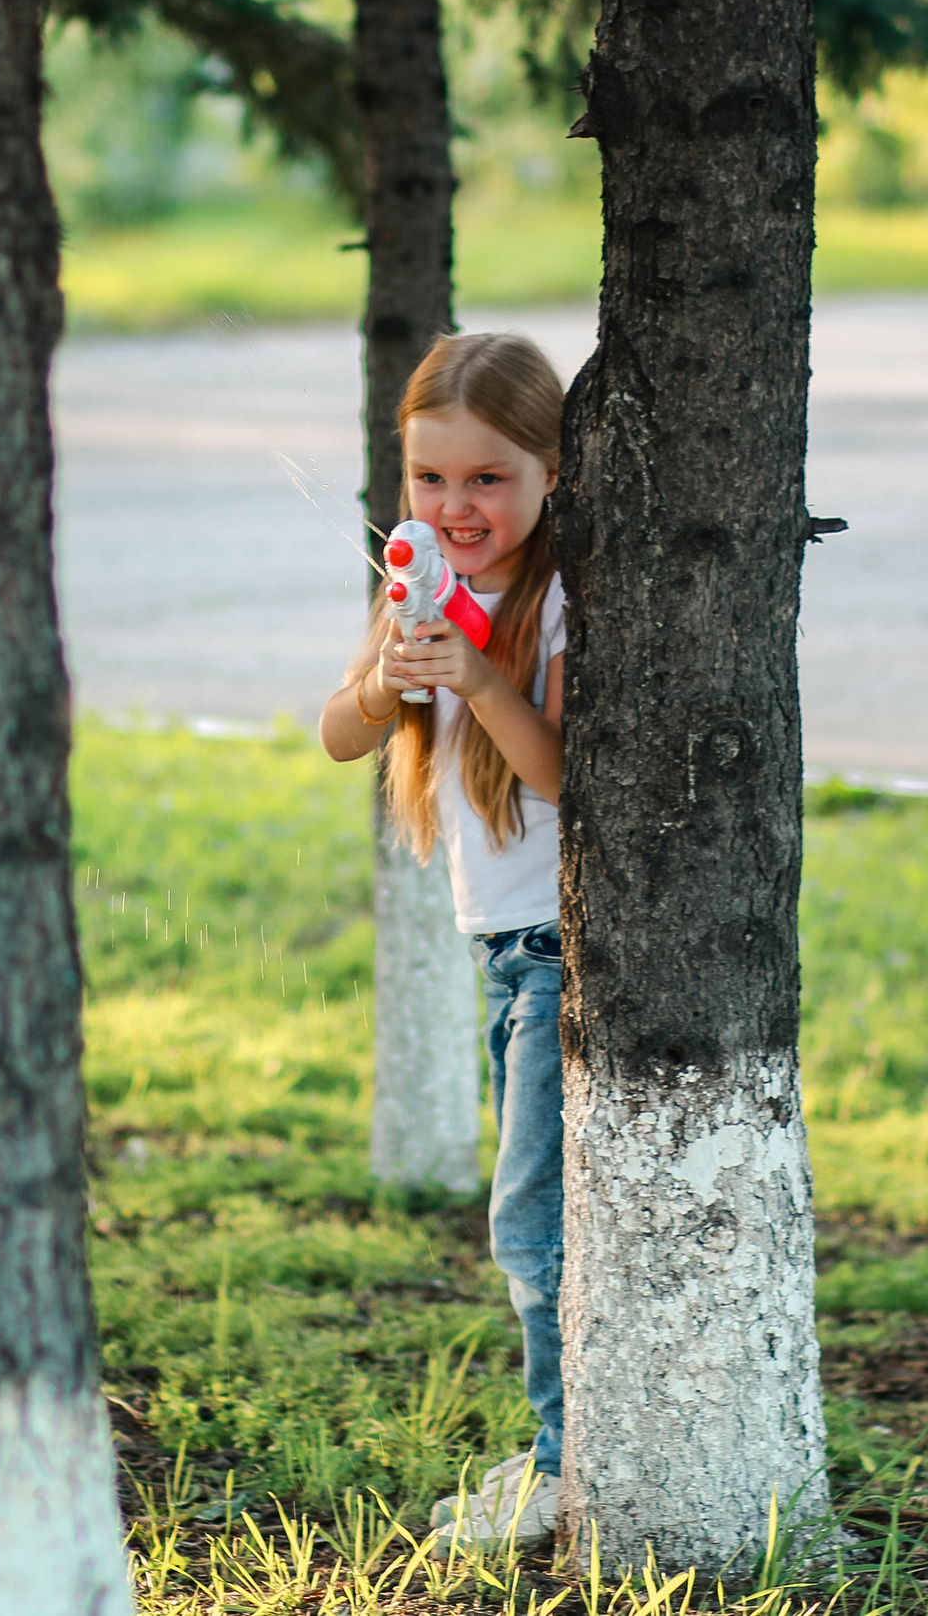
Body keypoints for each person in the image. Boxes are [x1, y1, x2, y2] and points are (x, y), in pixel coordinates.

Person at [317, 331, 569, 1553]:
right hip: (502, 951)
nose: (455, 506)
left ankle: (569, 1465)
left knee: (533, 1223)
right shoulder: (414, 575)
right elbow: (339, 733)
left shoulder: (561, 599)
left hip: (561, 948)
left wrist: (477, 676)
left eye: (488, 479)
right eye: (430, 477)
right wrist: (390, 677)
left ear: (552, 474)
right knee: (540, 1215)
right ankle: (568, 1447)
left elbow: (559, 771)